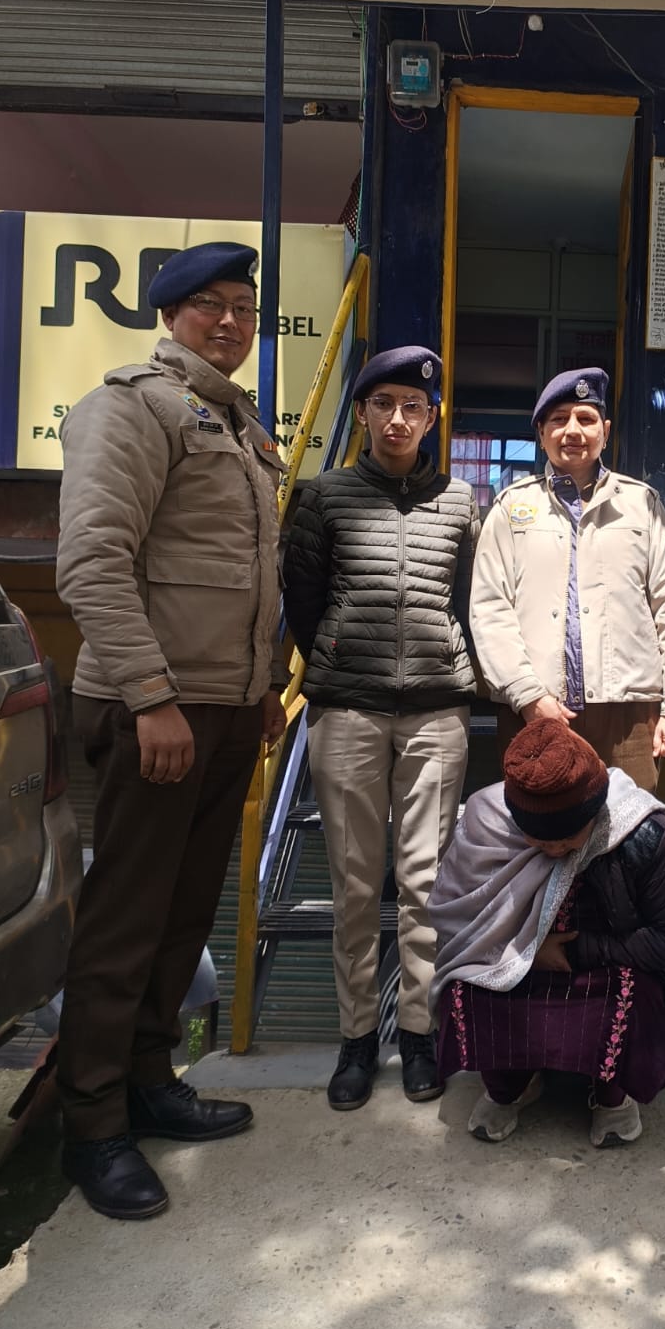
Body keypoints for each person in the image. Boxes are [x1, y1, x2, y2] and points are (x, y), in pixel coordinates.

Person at [54, 241, 288, 1221]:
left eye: (243, 307)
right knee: (124, 919)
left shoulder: (240, 425)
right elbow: (92, 562)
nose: (230, 322)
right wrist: (151, 698)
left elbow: (247, 576)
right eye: (209, 306)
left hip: (226, 710)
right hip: (155, 708)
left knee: (184, 912)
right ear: (169, 315)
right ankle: (92, 1125)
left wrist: (264, 686)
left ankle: (150, 1080)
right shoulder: (130, 408)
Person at [284, 347, 478, 1111]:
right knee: (356, 883)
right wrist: (336, 657)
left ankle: (421, 1035)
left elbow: (469, 600)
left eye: (414, 407)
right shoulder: (324, 496)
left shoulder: (460, 502)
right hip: (348, 711)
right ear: (363, 412)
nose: (399, 419)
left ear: (432, 418)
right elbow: (302, 598)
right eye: (384, 404)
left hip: (436, 710)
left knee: (427, 882)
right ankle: (357, 1039)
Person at [428, 718, 665, 1148]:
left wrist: (580, 951)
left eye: (568, 839)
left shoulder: (638, 828)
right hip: (514, 960)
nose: (554, 851)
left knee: (634, 995)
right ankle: (510, 1086)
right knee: (465, 987)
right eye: (538, 842)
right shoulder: (486, 823)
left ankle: (612, 1096)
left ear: (595, 811)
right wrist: (526, 952)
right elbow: (460, 928)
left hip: (607, 963)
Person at [470, 366, 665, 792]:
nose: (572, 430)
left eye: (586, 419)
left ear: (605, 432)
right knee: (539, 827)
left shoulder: (641, 505)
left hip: (629, 714)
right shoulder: (510, 509)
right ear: (541, 433)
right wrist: (527, 695)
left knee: (628, 827)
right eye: (559, 420)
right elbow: (489, 609)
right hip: (533, 710)